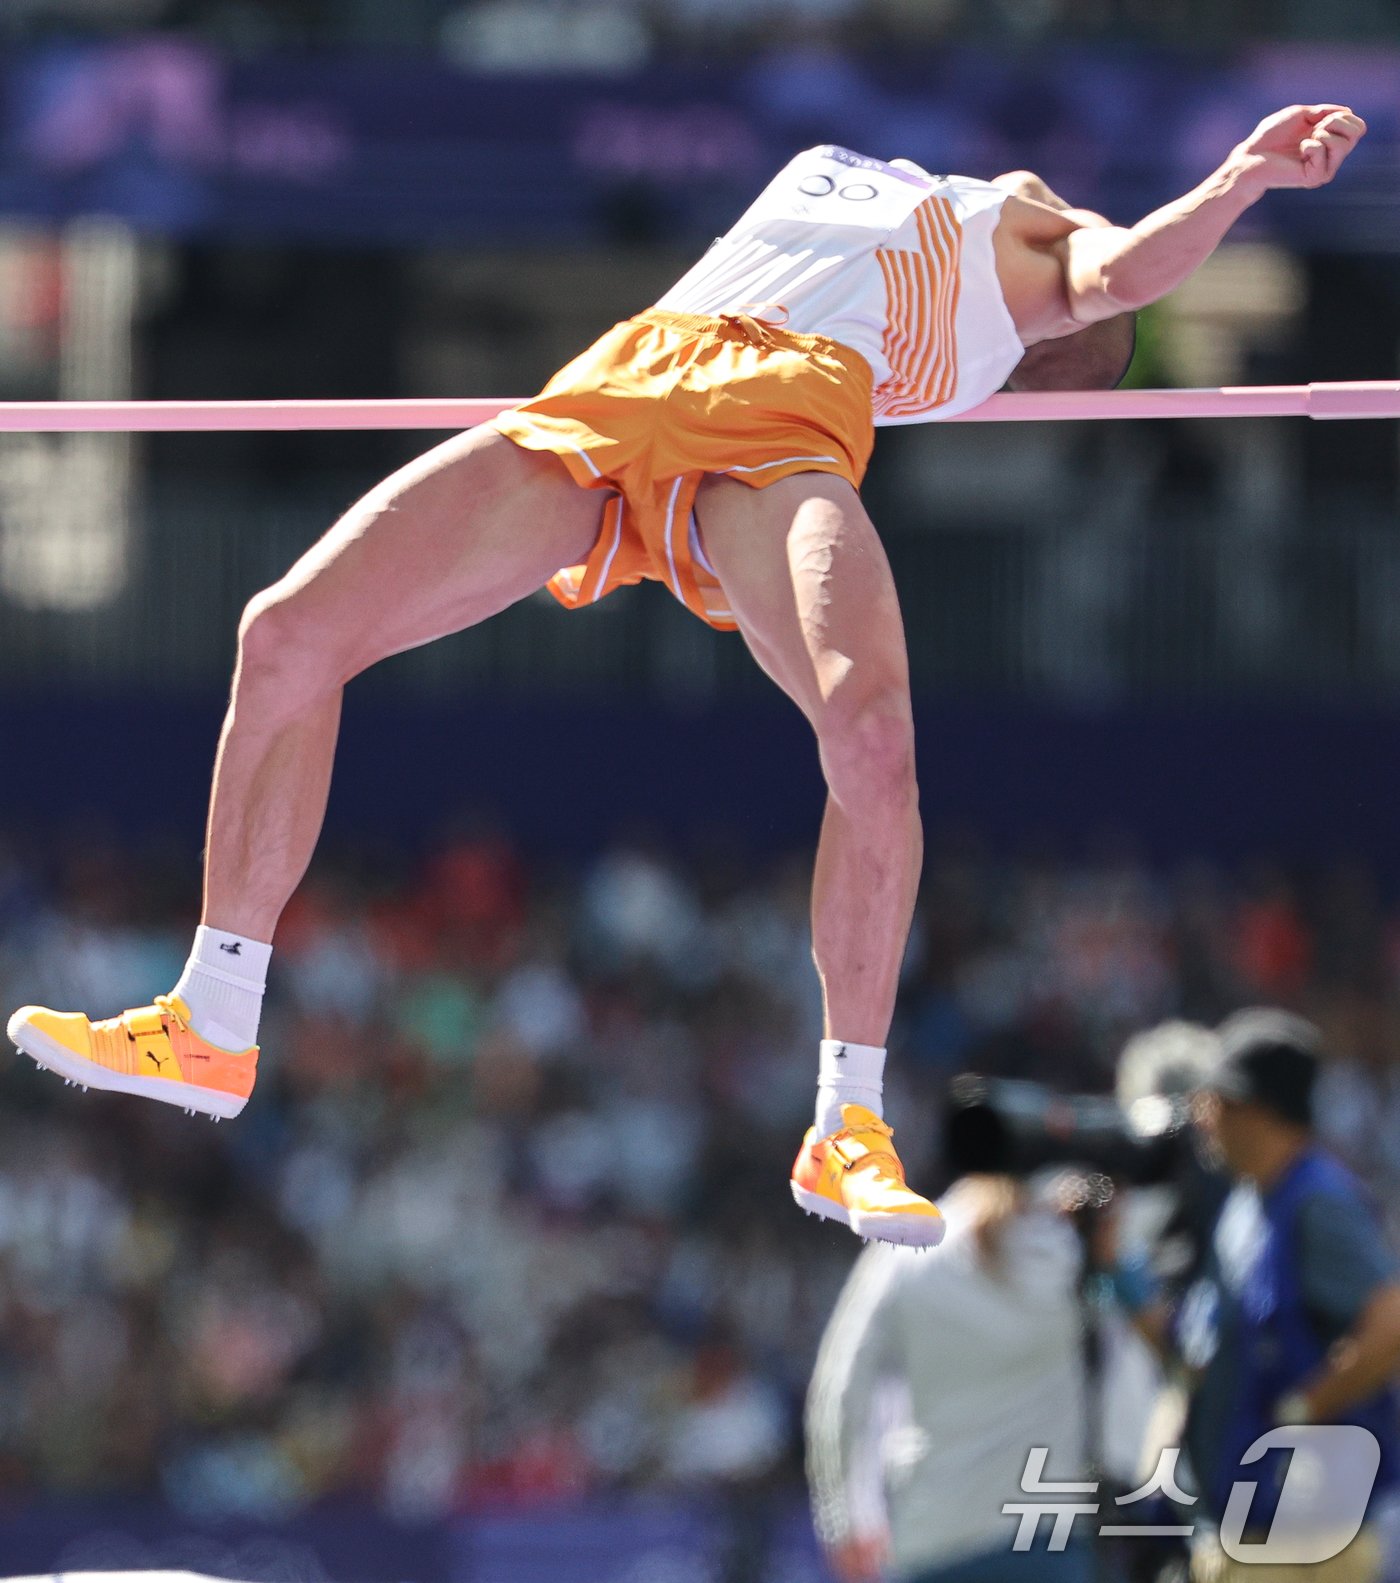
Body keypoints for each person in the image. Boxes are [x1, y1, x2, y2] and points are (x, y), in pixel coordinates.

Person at [6, 106, 1366, 1248]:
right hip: (626, 380)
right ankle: (213, 1016)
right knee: (283, 631)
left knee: (872, 737)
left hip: (779, 434)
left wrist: (1243, 181)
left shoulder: (1025, 296)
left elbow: (1125, 273)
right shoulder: (957, 208)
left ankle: (850, 1120)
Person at [1106, 1009, 1400, 1583]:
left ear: (1256, 1108)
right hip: (1251, 1532)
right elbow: (1193, 1360)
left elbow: (1391, 1323)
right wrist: (1117, 1271)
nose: (1202, 1116)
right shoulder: (1246, 1207)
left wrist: (1304, 1408)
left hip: (1305, 1539)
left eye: (1214, 1100)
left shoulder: (1317, 1201)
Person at [806, 1173, 1091, 1581]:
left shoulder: (902, 1255)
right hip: (1048, 1535)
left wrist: (845, 1522)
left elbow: (841, 1391)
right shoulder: (1069, 1252)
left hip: (935, 1538)